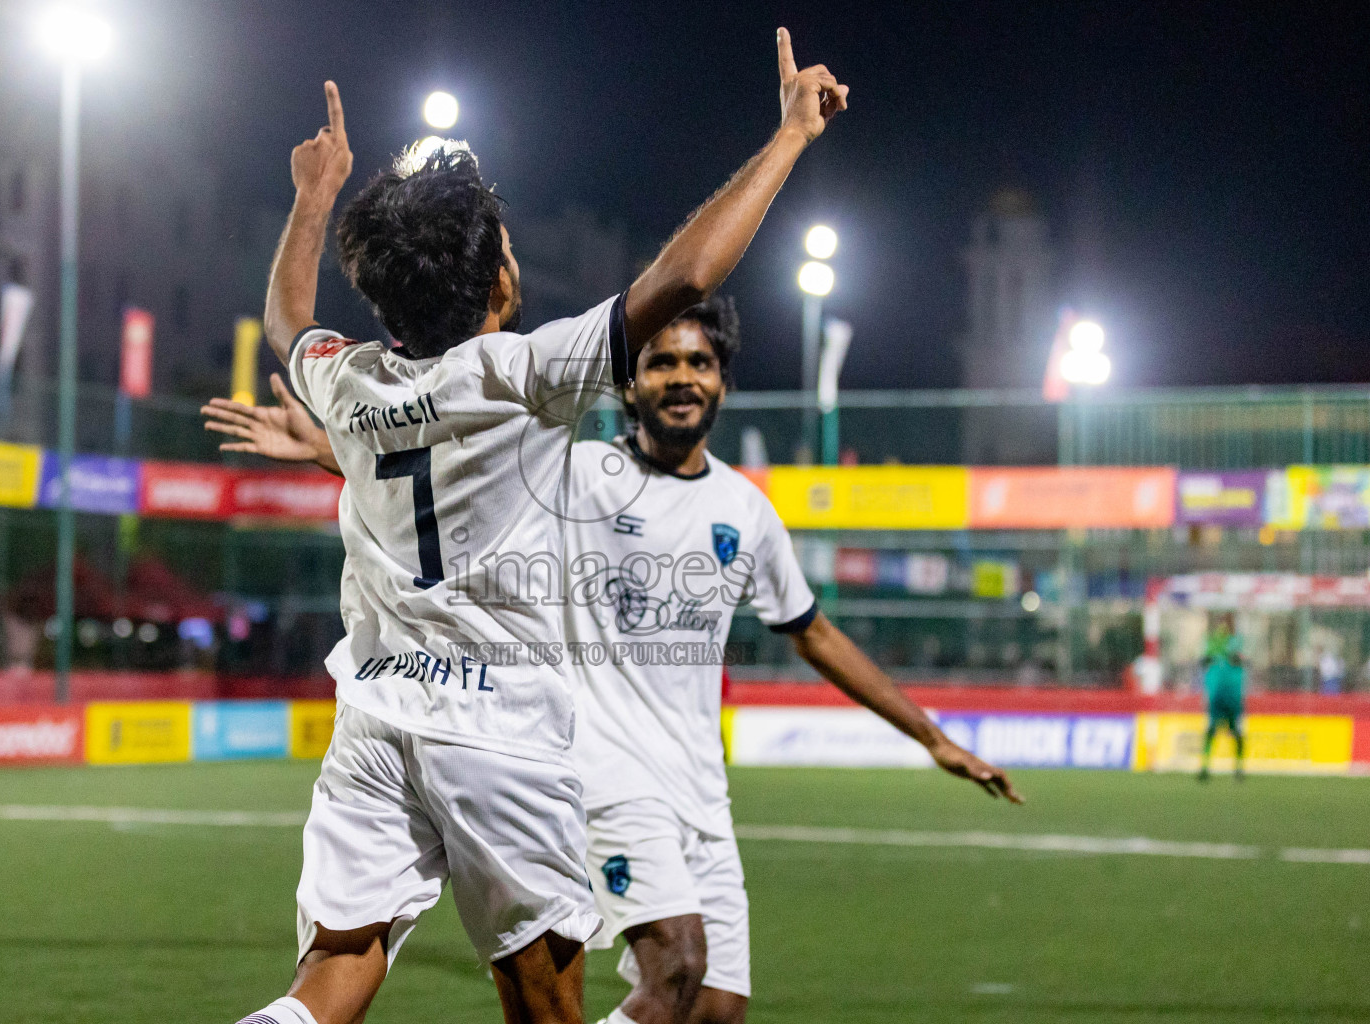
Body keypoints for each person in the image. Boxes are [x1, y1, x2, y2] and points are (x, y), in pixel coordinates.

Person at [227, 31, 849, 1024]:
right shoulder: (526, 372)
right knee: (550, 1006)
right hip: (501, 733)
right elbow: (685, 277)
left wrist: (313, 195)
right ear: (492, 283)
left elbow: (286, 319)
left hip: (377, 720)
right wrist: (787, 139)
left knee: (334, 973)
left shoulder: (344, 380)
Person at [209, 295, 1021, 1024]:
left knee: (714, 1006)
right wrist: (329, 447)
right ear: (627, 386)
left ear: (723, 384)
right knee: (677, 964)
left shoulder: (746, 510)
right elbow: (454, 484)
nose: (679, 378)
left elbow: (812, 630)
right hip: (598, 771)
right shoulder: (583, 475)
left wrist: (932, 736)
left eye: (698, 362)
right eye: (659, 361)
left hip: (700, 791)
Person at [1198, 613, 1246, 781]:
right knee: (1210, 731)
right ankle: (1205, 767)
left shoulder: (1237, 642)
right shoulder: (1210, 643)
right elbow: (1202, 662)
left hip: (1233, 696)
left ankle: (1239, 768)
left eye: (1225, 623)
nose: (1222, 627)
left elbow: (1240, 659)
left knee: (1237, 732)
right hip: (1216, 696)